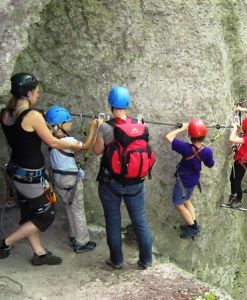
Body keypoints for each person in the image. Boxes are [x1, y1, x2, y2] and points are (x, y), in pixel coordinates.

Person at [0, 73, 81, 265]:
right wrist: (76, 146)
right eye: (36, 92)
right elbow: (52, 141)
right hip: (31, 176)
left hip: (16, 173)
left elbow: (22, 133)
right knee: (46, 214)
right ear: (28, 93)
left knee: (30, 213)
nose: (38, 95)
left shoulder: (5, 113)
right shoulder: (33, 116)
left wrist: (40, 115)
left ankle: (40, 254)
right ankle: (5, 243)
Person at [93, 86, 153, 270]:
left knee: (113, 221)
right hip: (136, 183)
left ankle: (117, 261)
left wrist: (97, 128)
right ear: (128, 104)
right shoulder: (140, 125)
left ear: (111, 104)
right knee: (140, 220)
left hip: (111, 183)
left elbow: (97, 152)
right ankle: (146, 260)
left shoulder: (105, 127)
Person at [45, 105, 101, 253]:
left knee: (69, 207)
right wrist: (94, 128)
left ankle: (73, 235)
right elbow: (87, 145)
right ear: (59, 125)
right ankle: (82, 242)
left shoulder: (50, 138)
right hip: (70, 179)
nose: (71, 123)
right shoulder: (68, 141)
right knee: (78, 210)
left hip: (58, 178)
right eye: (67, 121)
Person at [165, 118, 215, 239]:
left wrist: (182, 128)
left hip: (183, 181)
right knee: (187, 200)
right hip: (193, 180)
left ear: (190, 135)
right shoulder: (207, 151)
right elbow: (210, 164)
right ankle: (193, 225)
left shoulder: (186, 148)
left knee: (178, 204)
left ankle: (193, 228)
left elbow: (168, 137)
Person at [225, 115, 247, 209]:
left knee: (237, 182)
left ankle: (239, 200)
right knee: (232, 179)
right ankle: (233, 196)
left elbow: (232, 139)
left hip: (242, 164)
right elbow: (241, 134)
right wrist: (239, 128)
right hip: (239, 162)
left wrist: (234, 129)